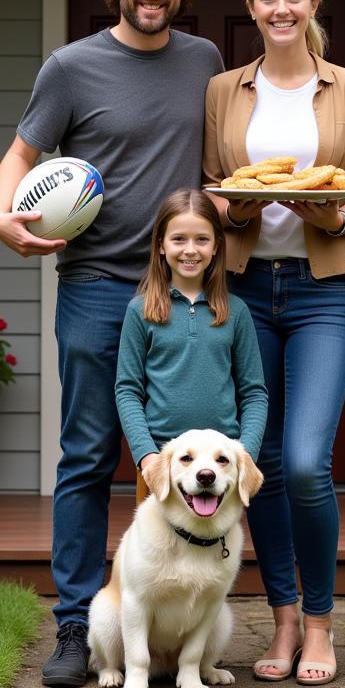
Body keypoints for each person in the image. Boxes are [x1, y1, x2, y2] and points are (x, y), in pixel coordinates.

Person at [0, 0, 224, 688]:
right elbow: (21, 157)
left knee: (187, 457)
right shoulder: (70, 68)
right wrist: (1, 217)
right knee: (89, 457)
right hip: (94, 287)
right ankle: (74, 626)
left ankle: (185, 619)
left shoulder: (206, 62)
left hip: (181, 293)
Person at [202, 0, 345, 686]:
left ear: (313, 3)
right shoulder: (222, 91)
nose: (281, 9)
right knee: (259, 465)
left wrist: (331, 219)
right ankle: (278, 620)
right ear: (252, 6)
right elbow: (212, 186)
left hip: (321, 289)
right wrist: (234, 204)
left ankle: (320, 622)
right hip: (243, 289)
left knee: (306, 462)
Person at [115, 188, 267, 485]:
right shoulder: (140, 311)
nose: (190, 249)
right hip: (165, 459)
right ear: (161, 245)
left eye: (202, 239)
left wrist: (243, 454)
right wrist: (147, 455)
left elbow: (254, 393)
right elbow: (127, 390)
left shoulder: (236, 312)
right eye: (179, 239)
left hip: (220, 463)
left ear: (216, 247)